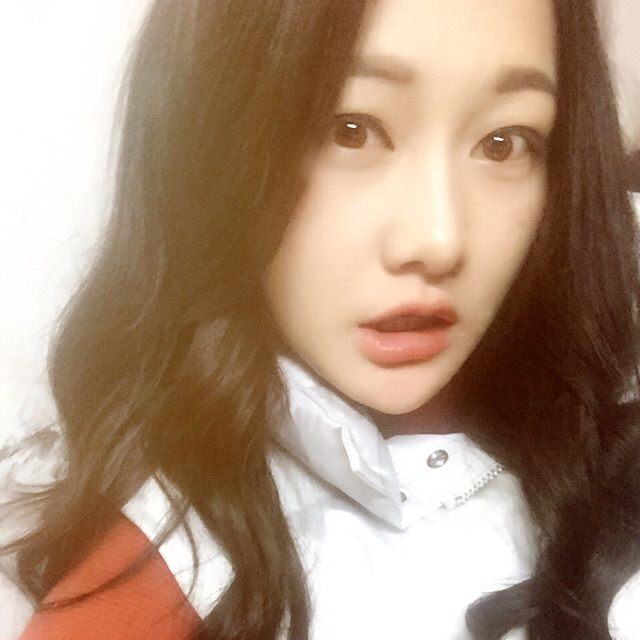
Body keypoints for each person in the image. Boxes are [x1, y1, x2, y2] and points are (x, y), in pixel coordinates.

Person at [2, 0, 640, 639]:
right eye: (351, 130)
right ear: (212, 146)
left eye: (504, 143)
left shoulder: (598, 409)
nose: (439, 239)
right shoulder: (153, 589)